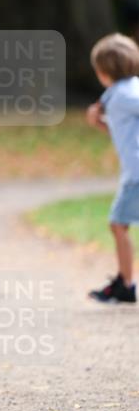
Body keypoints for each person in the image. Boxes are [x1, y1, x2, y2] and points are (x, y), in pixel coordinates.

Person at [86, 33, 139, 304]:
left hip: (137, 175)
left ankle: (126, 283)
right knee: (119, 224)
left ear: (103, 72)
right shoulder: (123, 92)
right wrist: (100, 123)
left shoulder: (122, 95)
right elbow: (125, 131)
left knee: (118, 224)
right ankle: (124, 280)